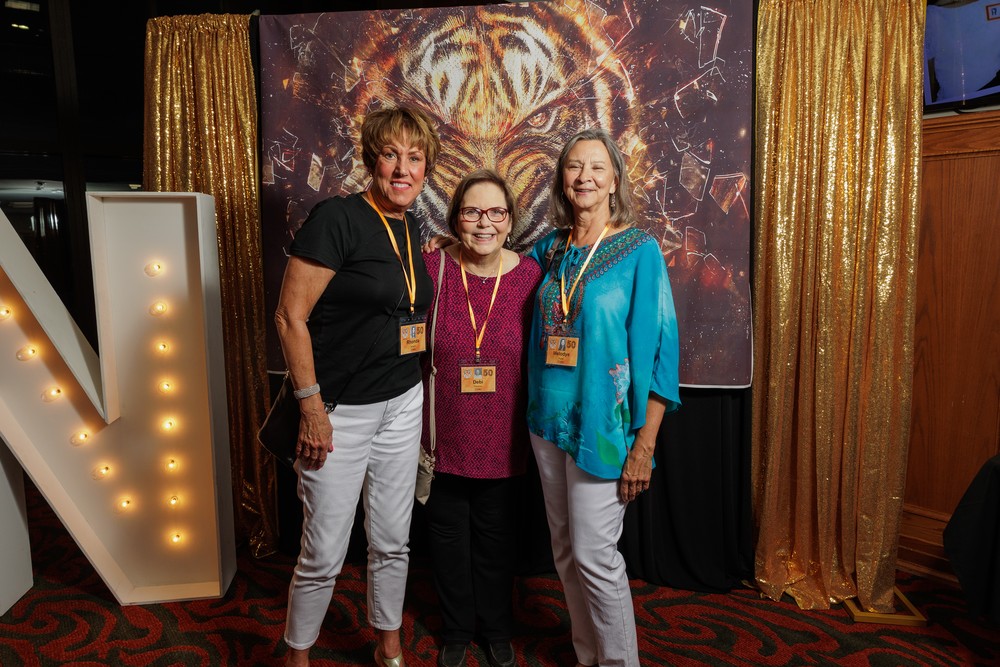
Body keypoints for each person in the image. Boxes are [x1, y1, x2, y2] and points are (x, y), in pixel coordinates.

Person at [274, 106, 440, 667]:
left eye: (414, 158)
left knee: (393, 538)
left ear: (426, 167)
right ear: (372, 160)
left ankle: (388, 643)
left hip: (403, 401)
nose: (403, 169)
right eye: (391, 154)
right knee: (324, 548)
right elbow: (289, 317)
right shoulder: (337, 218)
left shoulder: (412, 226)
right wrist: (311, 409)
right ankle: (298, 655)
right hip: (339, 410)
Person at [525, 128, 680, 667]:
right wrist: (445, 247)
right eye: (574, 167)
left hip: (603, 425)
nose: (584, 176)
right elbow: (492, 265)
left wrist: (645, 445)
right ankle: (586, 655)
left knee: (595, 555)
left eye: (596, 167)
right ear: (562, 180)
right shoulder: (550, 248)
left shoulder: (640, 251)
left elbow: (661, 353)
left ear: (615, 179)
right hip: (547, 419)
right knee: (565, 551)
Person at [421, 170, 542, 667]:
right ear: (456, 220)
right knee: (447, 537)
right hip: (443, 431)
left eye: (496, 212)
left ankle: (495, 627)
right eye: (472, 212)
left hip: (504, 435)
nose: (484, 222)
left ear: (510, 221)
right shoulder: (433, 269)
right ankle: (455, 629)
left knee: (496, 537)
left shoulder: (531, 277)